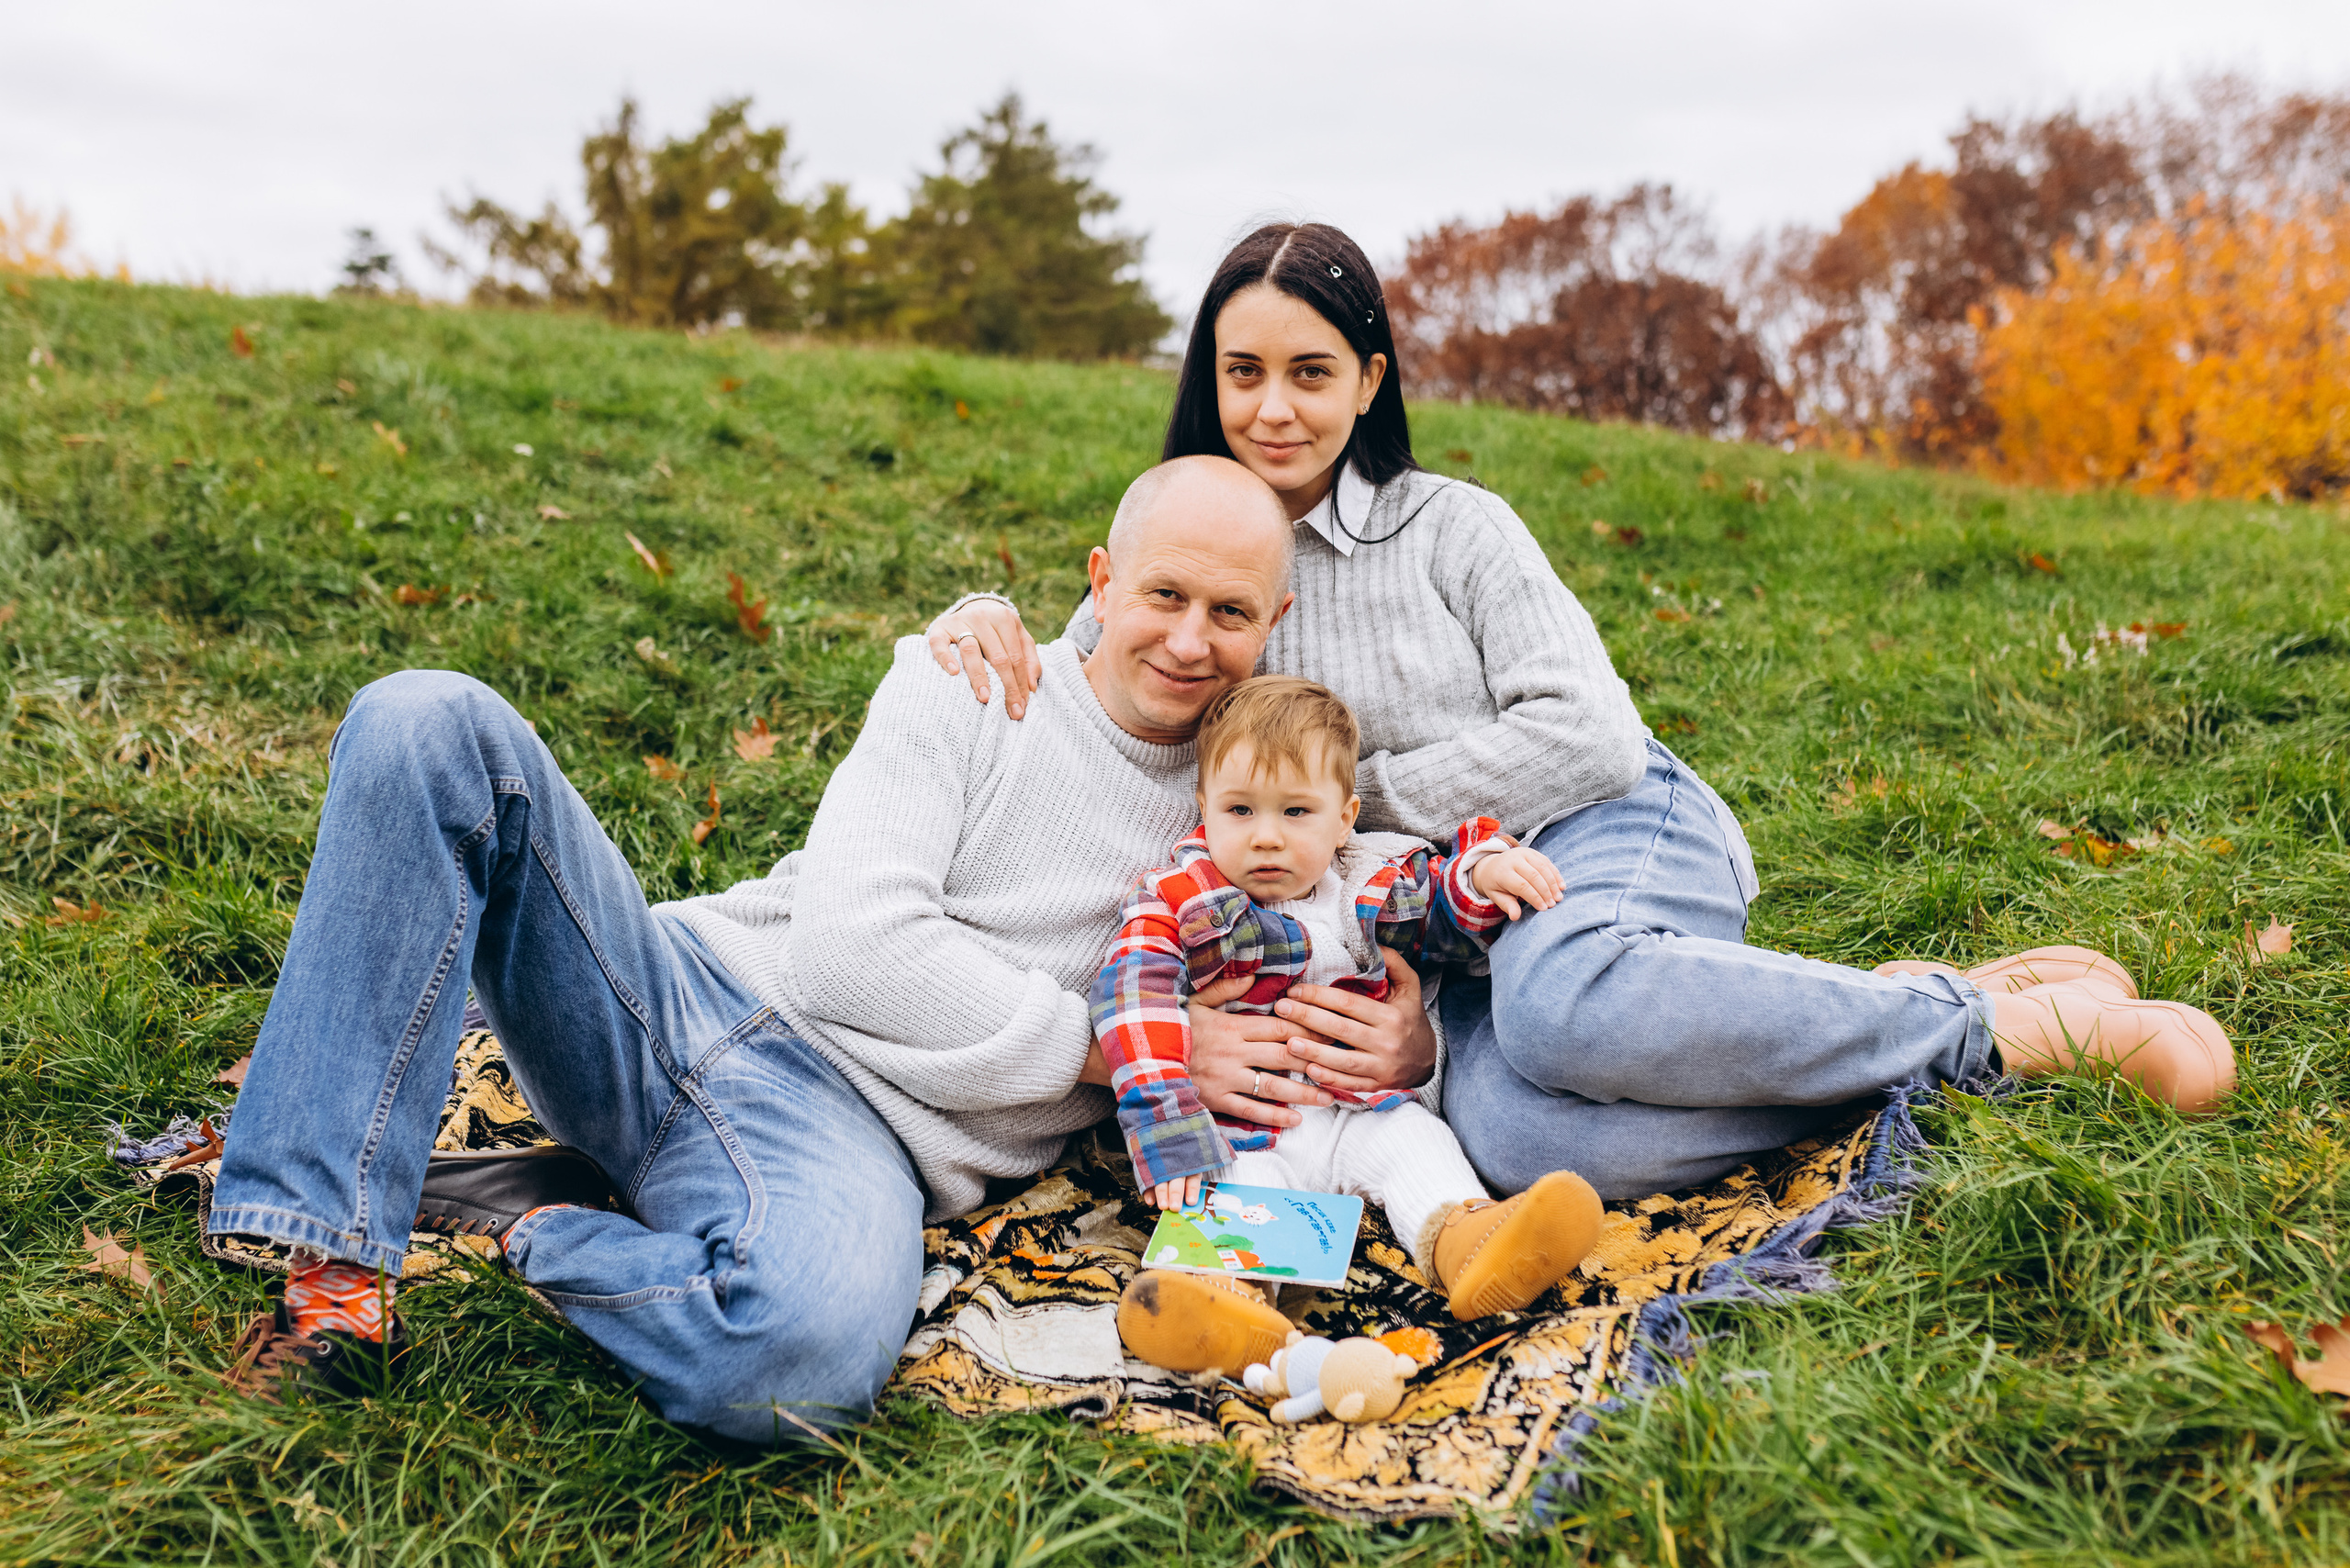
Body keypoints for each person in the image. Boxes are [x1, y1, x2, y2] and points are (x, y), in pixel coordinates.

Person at [926, 221, 2236, 1203]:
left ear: (1370, 382)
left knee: (1563, 1016)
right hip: (1441, 916)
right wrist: (976, 620)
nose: (1274, 409)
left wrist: (1337, 815)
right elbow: (1096, 686)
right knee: (1525, 1142)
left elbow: (1589, 735)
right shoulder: (1199, 556)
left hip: (1601, 822)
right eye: (1243, 371)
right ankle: (1880, 1006)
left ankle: (2013, 1033)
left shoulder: (1454, 530)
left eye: (1312, 373)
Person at [210, 454, 1301, 1441]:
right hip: (673, 994)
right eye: (1164, 594)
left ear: (1276, 622)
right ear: (1103, 582)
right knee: (426, 720)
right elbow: (848, 953)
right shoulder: (969, 677)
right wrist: (1131, 1049)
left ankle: (545, 1225)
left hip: (852, 1140)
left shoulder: (1263, 816)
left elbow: (1385, 899)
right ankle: (333, 1276)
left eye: (1230, 611)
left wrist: (1416, 996)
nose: (1190, 639)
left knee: (793, 1372)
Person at [1096, 677, 1603, 1375]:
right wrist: (1165, 1121)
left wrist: (1484, 875)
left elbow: (1440, 911)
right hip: (1250, 1125)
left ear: (1344, 819)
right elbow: (1132, 1001)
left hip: (1360, 1111)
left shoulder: (1368, 884)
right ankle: (1224, 1303)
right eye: (1240, 809)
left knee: (1416, 1145)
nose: (1267, 836)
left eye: (1297, 811)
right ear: (1203, 809)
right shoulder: (1183, 902)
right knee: (1240, 1190)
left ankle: (1472, 1244)